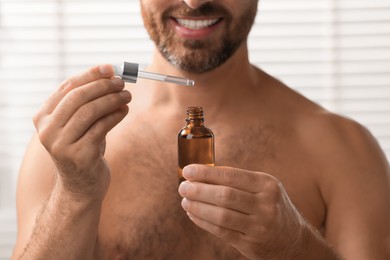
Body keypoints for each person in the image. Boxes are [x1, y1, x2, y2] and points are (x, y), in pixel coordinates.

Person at [12, 0, 390, 259]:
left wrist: (293, 247)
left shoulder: (343, 150)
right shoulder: (70, 146)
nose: (194, 1)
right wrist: (76, 193)